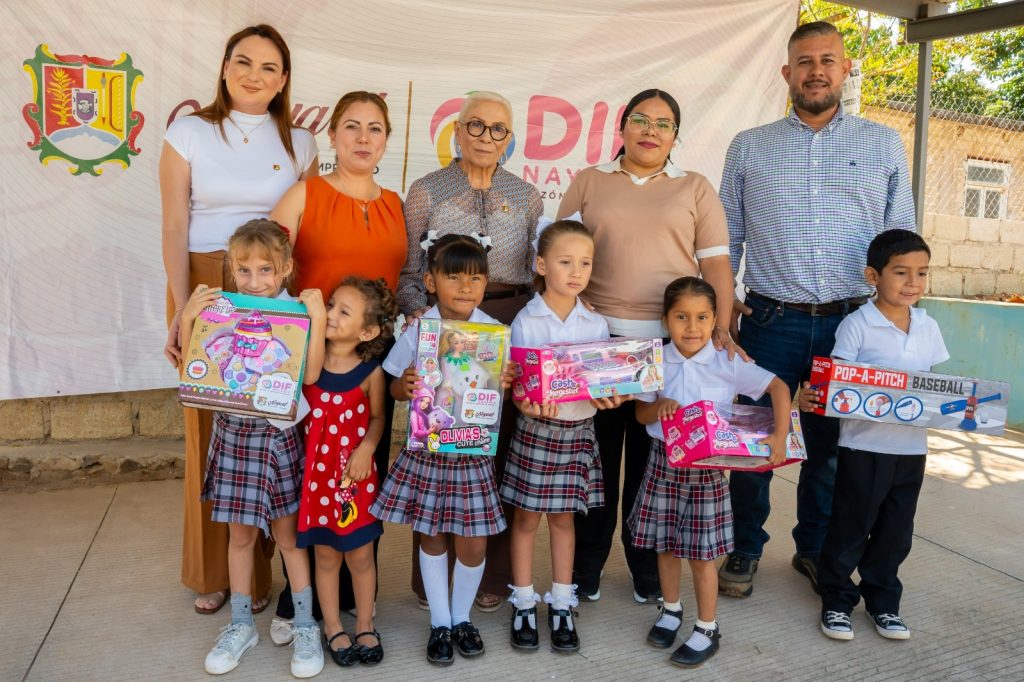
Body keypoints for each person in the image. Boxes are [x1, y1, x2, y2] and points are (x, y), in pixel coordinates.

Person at [718, 20, 915, 598]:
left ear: (846, 68)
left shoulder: (882, 144)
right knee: (754, 439)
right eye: (804, 61)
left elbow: (898, 238)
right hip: (768, 320)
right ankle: (744, 547)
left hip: (851, 324)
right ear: (787, 73)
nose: (816, 71)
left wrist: (895, 320)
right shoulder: (749, 145)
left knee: (829, 450)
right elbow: (727, 238)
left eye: (828, 60)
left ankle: (814, 549)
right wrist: (725, 308)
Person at [160, 24, 318, 616]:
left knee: (274, 427)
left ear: (284, 80)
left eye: (269, 67)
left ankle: (266, 574)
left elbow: (301, 228)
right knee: (210, 433)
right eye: (244, 62)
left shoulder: (301, 142)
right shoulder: (188, 131)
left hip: (272, 290)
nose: (255, 75)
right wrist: (183, 309)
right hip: (206, 284)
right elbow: (174, 224)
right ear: (225, 67)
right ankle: (214, 572)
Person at [556, 88, 738, 603]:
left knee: (650, 465)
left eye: (663, 123)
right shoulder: (590, 180)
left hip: (666, 347)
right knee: (593, 462)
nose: (650, 131)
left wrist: (721, 330)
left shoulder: (694, 187)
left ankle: (646, 572)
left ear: (675, 135)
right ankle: (586, 570)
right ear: (622, 127)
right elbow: (558, 250)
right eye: (640, 119)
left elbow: (716, 264)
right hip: (598, 344)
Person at [397, 90, 542, 612]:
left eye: (498, 128)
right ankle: (430, 584)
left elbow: (537, 271)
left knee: (497, 452)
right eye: (475, 125)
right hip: (445, 329)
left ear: (510, 138)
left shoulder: (527, 196)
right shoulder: (426, 190)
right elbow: (410, 272)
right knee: (439, 448)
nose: (486, 136)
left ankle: (488, 577)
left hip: (506, 325)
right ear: (457, 132)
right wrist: (425, 325)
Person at [270, 90, 406, 642]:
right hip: (312, 363)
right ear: (332, 135)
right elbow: (264, 266)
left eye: (375, 128)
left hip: (373, 361)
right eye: (352, 126)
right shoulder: (305, 193)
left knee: (362, 474)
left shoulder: (396, 203)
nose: (363, 138)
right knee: (308, 478)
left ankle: (354, 595)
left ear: (387, 140)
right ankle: (298, 595)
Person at [179, 221, 322, 677]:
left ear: (286, 269)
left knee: (288, 539)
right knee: (239, 536)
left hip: (278, 437)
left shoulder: (295, 312)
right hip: (233, 436)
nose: (254, 281)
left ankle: (305, 625)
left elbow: (311, 375)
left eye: (265, 270)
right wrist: (189, 318)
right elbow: (195, 369)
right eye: (244, 270)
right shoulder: (222, 309)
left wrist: (317, 318)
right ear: (231, 268)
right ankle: (241, 625)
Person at [630, 277, 792, 668]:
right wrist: (658, 407)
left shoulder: (726, 360)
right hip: (664, 462)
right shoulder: (655, 360)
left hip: (706, 471)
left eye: (702, 317)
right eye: (681, 317)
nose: (692, 327)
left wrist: (780, 434)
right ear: (665, 320)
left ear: (716, 319)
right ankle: (671, 610)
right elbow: (641, 414)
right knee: (665, 546)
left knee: (702, 555)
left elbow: (778, 387)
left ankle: (707, 628)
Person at [371, 234, 514, 666]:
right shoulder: (419, 330)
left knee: (473, 543)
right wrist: (404, 385)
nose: (466, 287)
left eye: (476, 278)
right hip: (428, 451)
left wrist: (504, 382)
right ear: (431, 282)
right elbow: (393, 386)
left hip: (472, 453)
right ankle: (440, 623)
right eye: (454, 277)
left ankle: (461, 616)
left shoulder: (494, 332)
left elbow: (496, 394)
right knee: (432, 536)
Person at [799, 231, 945, 641]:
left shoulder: (929, 326)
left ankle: (883, 602)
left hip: (911, 449)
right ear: (872, 276)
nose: (913, 282)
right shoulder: (857, 324)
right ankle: (837, 600)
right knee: (850, 526)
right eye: (901, 272)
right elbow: (836, 383)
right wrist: (814, 396)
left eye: (921, 273)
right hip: (863, 446)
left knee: (896, 531)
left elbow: (933, 386)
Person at [503, 220, 621, 653]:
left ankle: (561, 601)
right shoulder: (526, 320)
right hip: (536, 431)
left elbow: (601, 382)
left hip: (578, 431)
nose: (576, 272)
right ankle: (522, 602)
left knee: (564, 519)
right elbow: (517, 387)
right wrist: (525, 403)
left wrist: (610, 398)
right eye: (565, 262)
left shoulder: (596, 322)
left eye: (585, 263)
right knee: (525, 519)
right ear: (541, 265)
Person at [296, 277, 397, 666]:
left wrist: (367, 449)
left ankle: (366, 623)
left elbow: (378, 418)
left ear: (367, 332)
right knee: (325, 557)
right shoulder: (309, 362)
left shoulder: (371, 372)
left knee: (360, 556)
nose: (332, 314)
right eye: (331, 305)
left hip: (355, 480)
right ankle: (333, 626)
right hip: (317, 482)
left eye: (343, 311)